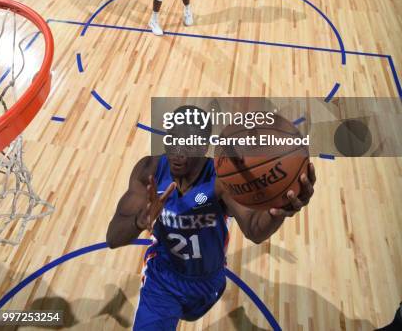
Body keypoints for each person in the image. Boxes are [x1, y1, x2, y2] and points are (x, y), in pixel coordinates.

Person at [106, 111, 316, 330]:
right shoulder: (149, 171)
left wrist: (281, 208)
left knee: (193, 314)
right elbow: (112, 238)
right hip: (162, 281)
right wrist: (139, 222)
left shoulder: (222, 180)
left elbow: (255, 230)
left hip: (208, 281)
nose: (178, 152)